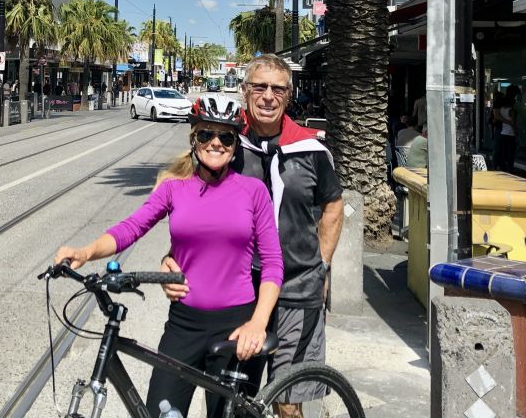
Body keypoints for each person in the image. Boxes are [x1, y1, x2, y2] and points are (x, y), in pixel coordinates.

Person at [54, 95, 283, 417]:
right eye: (206, 134)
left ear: (235, 145)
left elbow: (273, 263)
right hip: (183, 325)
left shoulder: (253, 191)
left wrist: (258, 324)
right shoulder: (174, 188)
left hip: (237, 325)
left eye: (226, 137)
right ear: (194, 138)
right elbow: (132, 227)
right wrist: (86, 251)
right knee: (162, 412)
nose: (215, 143)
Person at [162, 54, 343, 416]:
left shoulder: (312, 150)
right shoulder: (226, 144)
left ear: (288, 96)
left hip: (296, 291)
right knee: (233, 399)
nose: (268, 96)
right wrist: (173, 257)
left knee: (287, 402)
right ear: (245, 92)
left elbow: (333, 208)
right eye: (259, 87)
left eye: (278, 89)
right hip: (241, 292)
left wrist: (321, 266)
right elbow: (192, 204)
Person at [497, 85, 520, 172]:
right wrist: (517, 135)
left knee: (503, 154)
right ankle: (510, 171)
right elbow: (513, 124)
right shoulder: (512, 111)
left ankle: (502, 170)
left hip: (503, 133)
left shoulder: (502, 109)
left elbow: (497, 118)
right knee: (510, 156)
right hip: (511, 135)